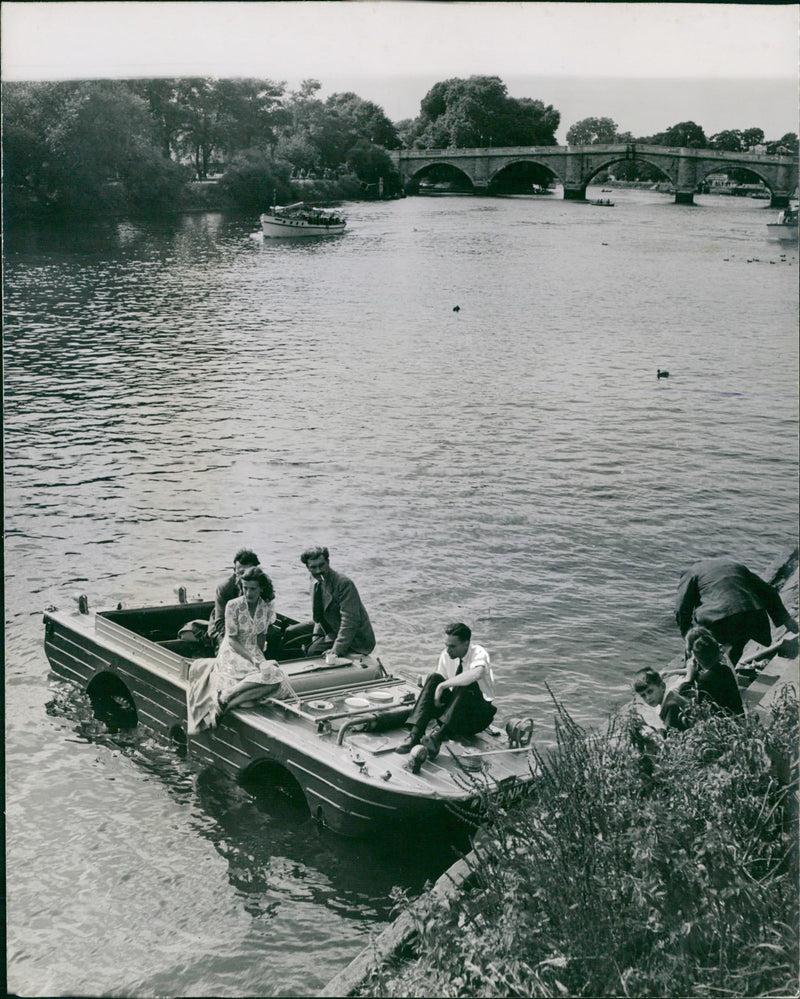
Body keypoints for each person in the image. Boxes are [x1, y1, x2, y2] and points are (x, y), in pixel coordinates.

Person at [187, 566, 294, 733]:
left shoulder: (265, 608)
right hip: (232, 651)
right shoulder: (233, 605)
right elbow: (232, 640)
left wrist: (263, 661)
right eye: (245, 588)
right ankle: (228, 698)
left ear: (261, 588)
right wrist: (255, 661)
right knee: (259, 690)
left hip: (253, 651)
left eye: (253, 589)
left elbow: (261, 639)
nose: (248, 593)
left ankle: (226, 699)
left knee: (277, 679)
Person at [395, 622, 496, 760]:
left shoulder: (478, 652)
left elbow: (476, 674)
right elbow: (436, 683)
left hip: (476, 718)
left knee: (467, 683)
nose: (448, 650)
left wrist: (442, 686)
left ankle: (438, 738)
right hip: (454, 715)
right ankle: (415, 734)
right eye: (447, 645)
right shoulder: (446, 655)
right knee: (433, 677)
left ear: (466, 644)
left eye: (452, 646)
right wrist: (434, 685)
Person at [675, 557, 797, 665]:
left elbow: (682, 609)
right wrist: (786, 619)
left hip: (717, 617)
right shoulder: (734, 565)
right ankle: (726, 675)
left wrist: (687, 637)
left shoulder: (691, 573)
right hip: (751, 614)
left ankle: (700, 676)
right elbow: (768, 591)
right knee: (736, 647)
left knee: (704, 648)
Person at [299, 546, 375, 660]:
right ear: (308, 568)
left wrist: (336, 650)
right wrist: (315, 638)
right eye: (313, 567)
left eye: (321, 565)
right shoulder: (314, 579)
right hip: (329, 626)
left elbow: (350, 621)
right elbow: (318, 613)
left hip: (354, 637)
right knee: (290, 632)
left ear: (328, 562)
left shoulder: (343, 584)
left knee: (313, 651)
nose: (318, 571)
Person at [629, 667, 693, 755]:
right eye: (643, 695)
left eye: (650, 691)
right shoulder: (670, 696)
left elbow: (670, 741)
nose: (648, 698)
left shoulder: (670, 706)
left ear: (662, 687)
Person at [684, 625, 744, 716]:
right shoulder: (724, 668)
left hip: (724, 719)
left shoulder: (704, 680)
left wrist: (688, 678)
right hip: (735, 714)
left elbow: (699, 704)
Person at [207, 548, 260, 649]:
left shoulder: (262, 585)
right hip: (224, 630)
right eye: (241, 572)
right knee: (228, 649)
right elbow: (220, 622)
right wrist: (239, 641)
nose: (245, 577)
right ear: (234, 571)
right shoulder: (225, 588)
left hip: (251, 628)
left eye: (249, 572)